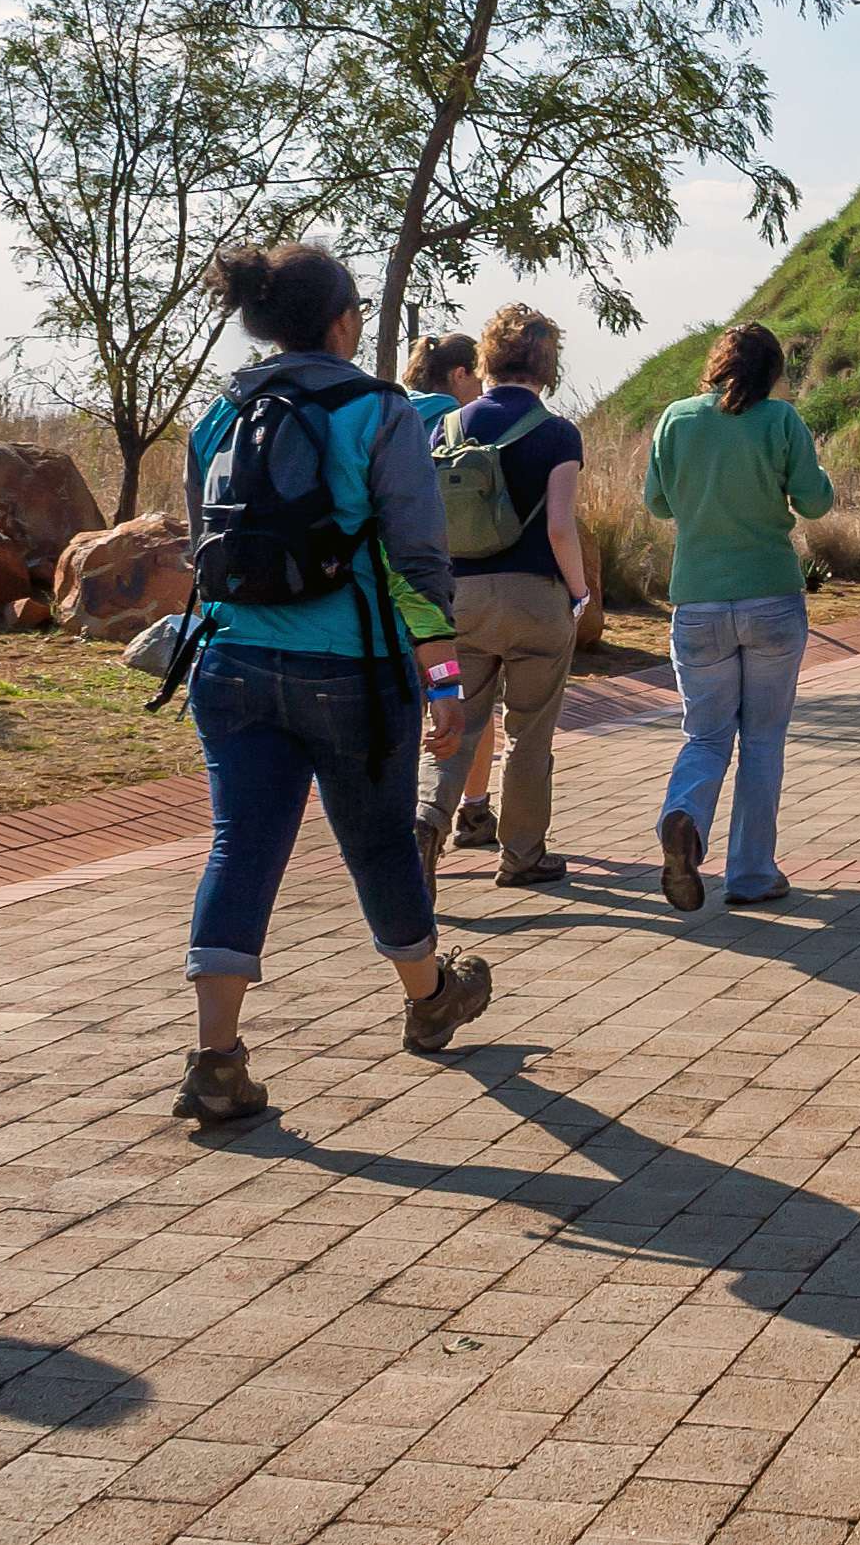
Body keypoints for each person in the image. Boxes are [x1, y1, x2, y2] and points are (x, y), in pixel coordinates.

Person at [170, 241, 492, 1124]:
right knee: (379, 845)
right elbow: (417, 559)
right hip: (349, 670)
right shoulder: (380, 411)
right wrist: (446, 680)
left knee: (242, 846)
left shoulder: (220, 412)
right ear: (344, 321)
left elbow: (205, 549)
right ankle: (431, 999)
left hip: (230, 664)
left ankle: (216, 1061)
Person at [645, 323, 835, 912]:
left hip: (698, 600)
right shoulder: (780, 421)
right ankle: (751, 872)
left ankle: (685, 818)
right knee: (762, 739)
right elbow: (816, 502)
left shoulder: (677, 419)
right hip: (772, 598)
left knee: (705, 733)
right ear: (772, 372)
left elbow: (656, 502)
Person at [417, 304, 588, 887]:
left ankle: (429, 820)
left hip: (456, 602)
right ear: (548, 363)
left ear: (487, 359)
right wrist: (580, 592)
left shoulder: (447, 428)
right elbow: (560, 527)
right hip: (535, 600)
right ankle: (521, 856)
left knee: (456, 724)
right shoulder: (558, 432)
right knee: (529, 732)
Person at [399, 331, 501, 836]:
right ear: (460, 374)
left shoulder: (385, 412)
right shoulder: (451, 422)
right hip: (446, 584)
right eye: (477, 378)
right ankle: (473, 809)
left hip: (383, 589)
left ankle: (399, 814)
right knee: (469, 699)